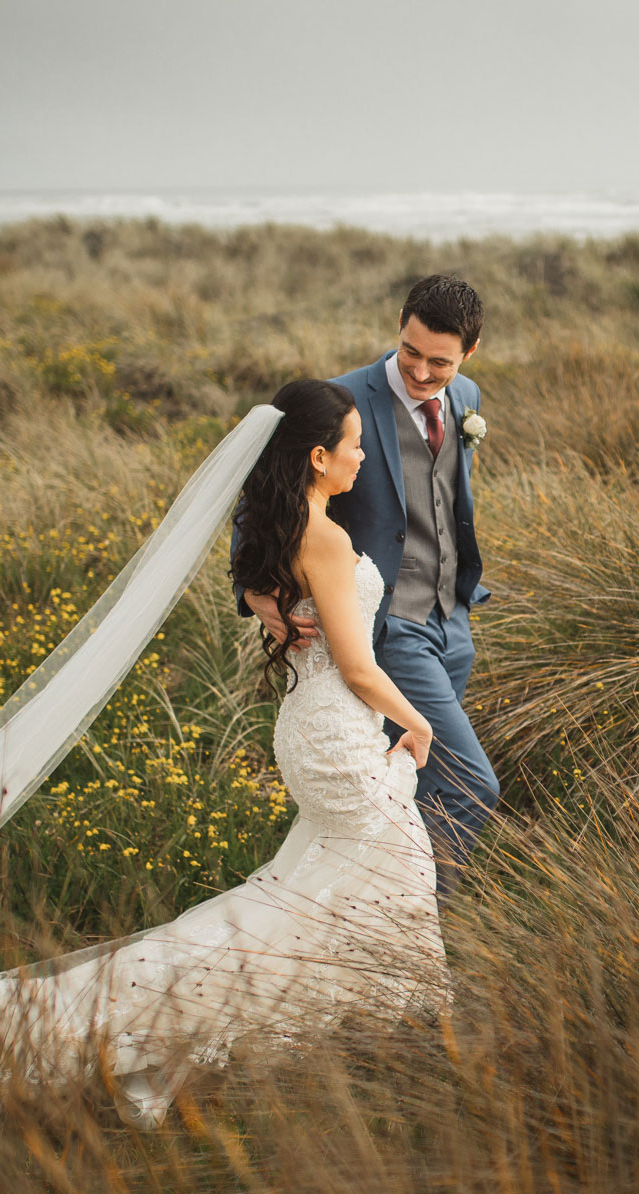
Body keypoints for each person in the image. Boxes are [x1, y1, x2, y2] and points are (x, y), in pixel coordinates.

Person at [0, 380, 445, 1128]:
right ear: (318, 455)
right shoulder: (324, 538)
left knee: (312, 897)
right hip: (337, 729)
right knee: (374, 881)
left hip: (317, 725)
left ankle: (158, 1062)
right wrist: (416, 720)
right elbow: (358, 666)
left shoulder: (290, 526)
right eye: (355, 445)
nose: (364, 458)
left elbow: (299, 625)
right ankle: (115, 1025)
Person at [236, 275, 498, 897]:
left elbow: (447, 502)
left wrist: (456, 598)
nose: (422, 372)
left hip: (450, 620)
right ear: (399, 326)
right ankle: (421, 916)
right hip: (385, 631)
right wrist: (253, 589)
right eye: (411, 352)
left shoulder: (466, 395)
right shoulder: (343, 399)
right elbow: (260, 498)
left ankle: (354, 914)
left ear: (470, 353)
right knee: (469, 782)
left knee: (401, 781)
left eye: (441, 361)